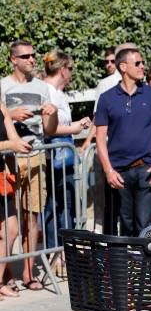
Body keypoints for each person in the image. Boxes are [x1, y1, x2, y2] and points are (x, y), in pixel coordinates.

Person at [0, 39, 58, 290]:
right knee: (7, 221)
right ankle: (5, 276)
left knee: (32, 217)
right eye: (26, 56)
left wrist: (52, 112)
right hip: (8, 159)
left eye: (33, 56)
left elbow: (50, 130)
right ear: (13, 60)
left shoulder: (43, 87)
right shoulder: (3, 86)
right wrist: (12, 115)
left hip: (35, 155)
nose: (32, 60)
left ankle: (28, 273)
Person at [95, 47, 151, 236]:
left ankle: (143, 264)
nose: (142, 66)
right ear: (123, 66)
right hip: (119, 173)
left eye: (142, 62)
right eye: (138, 63)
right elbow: (100, 138)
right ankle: (128, 264)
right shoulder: (106, 98)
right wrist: (108, 170)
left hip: (147, 169)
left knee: (143, 224)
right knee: (126, 224)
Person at [80, 42, 138, 234]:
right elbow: (99, 119)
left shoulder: (140, 83)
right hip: (111, 150)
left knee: (128, 200)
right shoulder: (105, 84)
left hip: (131, 152)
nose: (109, 64)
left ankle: (127, 242)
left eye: (112, 60)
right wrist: (89, 140)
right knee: (110, 200)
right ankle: (110, 241)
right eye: (106, 62)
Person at [43, 50, 91, 257]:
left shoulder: (58, 93)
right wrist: (75, 128)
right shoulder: (47, 91)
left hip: (64, 154)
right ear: (62, 70)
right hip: (54, 155)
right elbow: (48, 128)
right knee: (57, 204)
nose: (71, 73)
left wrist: (77, 125)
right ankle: (57, 252)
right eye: (70, 68)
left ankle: (63, 251)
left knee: (65, 202)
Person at [0, 103, 32, 299]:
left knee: (11, 230)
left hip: (1, 178)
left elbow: (14, 138)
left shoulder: (1, 107)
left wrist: (21, 145)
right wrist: (9, 145)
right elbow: (9, 143)